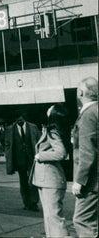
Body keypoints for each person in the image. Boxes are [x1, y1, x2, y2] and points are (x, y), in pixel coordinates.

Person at [31, 104, 70, 238]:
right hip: (46, 179)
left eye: (51, 108)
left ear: (54, 114)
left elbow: (61, 153)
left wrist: (40, 156)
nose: (48, 109)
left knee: (54, 217)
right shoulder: (53, 130)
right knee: (49, 216)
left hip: (51, 180)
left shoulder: (52, 131)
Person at [72, 77, 98, 237]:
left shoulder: (88, 115)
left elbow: (87, 152)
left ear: (81, 92)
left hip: (91, 181)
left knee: (81, 220)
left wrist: (80, 181)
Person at [5, 113, 41, 211]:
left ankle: (34, 202)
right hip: (19, 160)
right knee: (23, 181)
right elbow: (7, 144)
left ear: (24, 118)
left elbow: (40, 140)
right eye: (17, 119)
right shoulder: (10, 129)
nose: (19, 121)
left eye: (20, 119)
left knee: (33, 181)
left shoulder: (33, 127)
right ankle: (26, 202)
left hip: (32, 158)